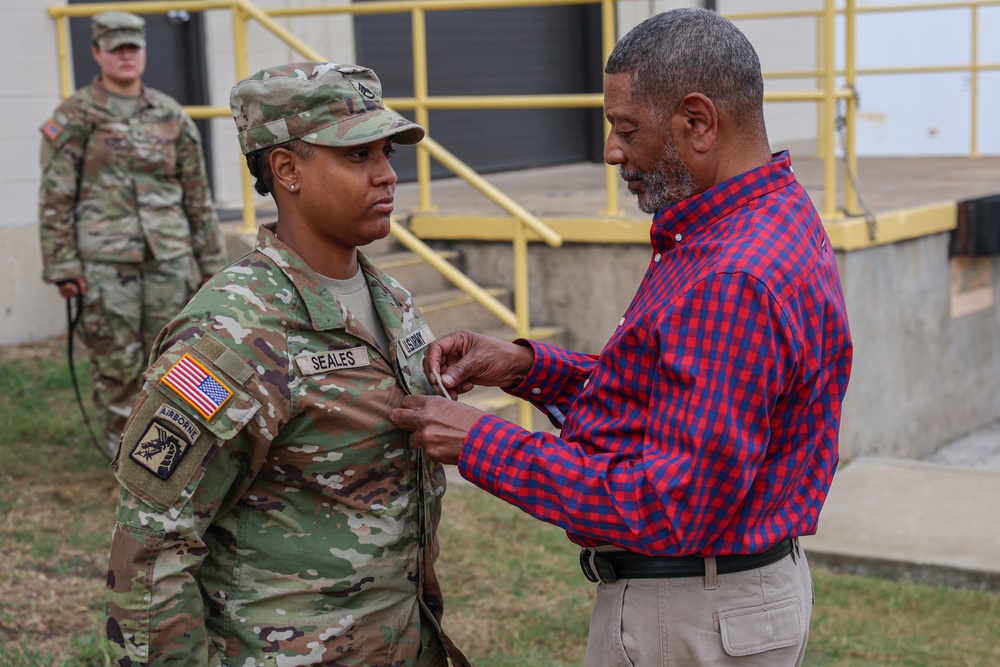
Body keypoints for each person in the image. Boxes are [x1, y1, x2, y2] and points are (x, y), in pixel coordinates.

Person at [390, 8, 853, 667]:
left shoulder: (734, 273)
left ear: (697, 122)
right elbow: (669, 397)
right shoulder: (756, 216)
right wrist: (525, 367)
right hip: (715, 598)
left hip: (690, 611)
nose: (611, 151)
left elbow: (670, 504)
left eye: (625, 129)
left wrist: (480, 442)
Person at [105, 61, 470, 667]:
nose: (386, 176)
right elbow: (151, 546)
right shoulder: (234, 332)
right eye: (358, 157)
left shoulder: (393, 304)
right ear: (287, 169)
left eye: (387, 153)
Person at [38, 11, 226, 458]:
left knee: (181, 361)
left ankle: (180, 456)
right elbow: (56, 197)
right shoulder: (74, 116)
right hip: (105, 268)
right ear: (96, 52)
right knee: (118, 367)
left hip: (171, 261)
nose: (125, 56)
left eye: (132, 47)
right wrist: (64, 266)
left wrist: (212, 267)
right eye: (115, 47)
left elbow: (197, 196)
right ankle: (127, 464)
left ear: (144, 51)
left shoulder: (171, 115)